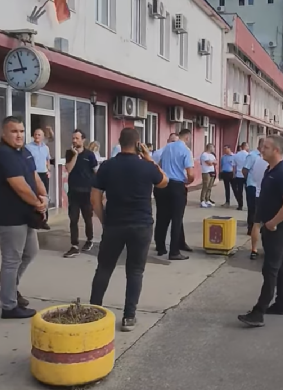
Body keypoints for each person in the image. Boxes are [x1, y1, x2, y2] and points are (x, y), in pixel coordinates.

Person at [90, 127, 168, 331]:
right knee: (135, 271)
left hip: (114, 224)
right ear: (138, 144)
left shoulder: (107, 166)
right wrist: (149, 158)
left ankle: (93, 311)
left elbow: (95, 199)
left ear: (119, 141)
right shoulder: (147, 167)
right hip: (141, 226)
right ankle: (128, 317)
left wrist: (104, 220)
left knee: (104, 268)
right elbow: (164, 182)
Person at [0, 115, 48, 319]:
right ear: (4, 133)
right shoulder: (2, 155)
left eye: (22, 131)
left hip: (25, 214)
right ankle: (9, 306)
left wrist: (44, 196)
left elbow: (33, 176)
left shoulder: (24, 152)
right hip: (8, 216)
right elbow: (20, 186)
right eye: (14, 131)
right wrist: (38, 203)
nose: (19, 135)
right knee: (11, 260)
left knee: (31, 251)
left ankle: (9, 289)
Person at [238, 136, 283, 327]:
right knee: (278, 265)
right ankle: (281, 304)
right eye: (262, 147)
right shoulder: (270, 170)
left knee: (270, 268)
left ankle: (259, 312)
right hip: (270, 225)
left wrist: (272, 223)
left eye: (266, 147)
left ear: (277, 151)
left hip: (279, 228)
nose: (262, 150)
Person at [154, 127, 195, 260]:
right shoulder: (186, 150)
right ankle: (174, 251)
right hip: (177, 186)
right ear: (187, 138)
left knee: (162, 217)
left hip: (163, 185)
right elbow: (190, 173)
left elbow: (159, 164)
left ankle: (160, 247)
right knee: (177, 219)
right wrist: (188, 181)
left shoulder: (167, 147)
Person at [63, 129, 98, 258]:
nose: (74, 140)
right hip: (73, 192)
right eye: (73, 138)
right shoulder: (69, 153)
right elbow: (68, 169)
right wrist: (75, 155)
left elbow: (96, 171)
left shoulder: (90, 155)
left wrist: (99, 190)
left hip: (87, 192)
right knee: (73, 219)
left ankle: (89, 240)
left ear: (83, 140)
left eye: (77, 138)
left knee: (87, 218)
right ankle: (74, 245)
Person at [25, 127, 51, 229]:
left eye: (39, 135)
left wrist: (48, 170)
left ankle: (44, 221)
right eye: (35, 134)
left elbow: (47, 160)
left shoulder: (46, 148)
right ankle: (34, 220)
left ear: (43, 137)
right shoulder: (28, 147)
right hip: (33, 174)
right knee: (34, 196)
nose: (36, 137)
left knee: (44, 196)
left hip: (43, 174)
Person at [247, 149, 269, 260]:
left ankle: (254, 249)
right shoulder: (274, 162)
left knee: (256, 223)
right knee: (270, 223)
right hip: (270, 196)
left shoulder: (257, 161)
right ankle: (269, 249)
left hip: (258, 193)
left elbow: (254, 177)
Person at [243, 137, 263, 233]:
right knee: (252, 208)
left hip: (261, 186)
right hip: (252, 186)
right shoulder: (252, 155)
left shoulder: (264, 156)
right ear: (260, 145)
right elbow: (245, 170)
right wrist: (249, 181)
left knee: (260, 208)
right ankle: (250, 228)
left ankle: (258, 227)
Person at [232, 142, 249, 210]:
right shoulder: (248, 155)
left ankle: (240, 205)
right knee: (247, 191)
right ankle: (248, 205)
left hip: (238, 174)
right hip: (246, 175)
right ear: (246, 146)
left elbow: (234, 166)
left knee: (239, 191)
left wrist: (234, 174)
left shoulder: (236, 155)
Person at [199, 143, 217, 208]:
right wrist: (212, 162)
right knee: (205, 186)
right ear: (210, 147)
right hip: (206, 172)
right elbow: (209, 163)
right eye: (213, 147)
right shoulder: (204, 154)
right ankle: (202, 200)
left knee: (210, 187)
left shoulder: (212, 155)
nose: (214, 149)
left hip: (212, 171)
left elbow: (216, 162)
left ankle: (207, 199)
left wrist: (212, 162)